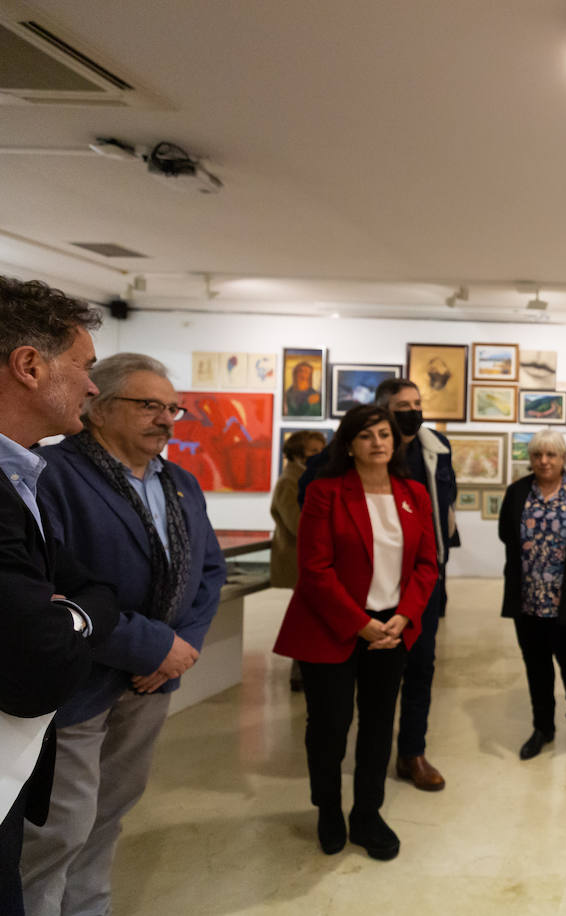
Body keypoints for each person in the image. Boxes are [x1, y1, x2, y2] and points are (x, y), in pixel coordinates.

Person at [21, 354, 227, 916]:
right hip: (80, 682)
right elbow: (54, 588)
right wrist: (155, 646)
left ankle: (90, 908)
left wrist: (182, 646)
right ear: (100, 407)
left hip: (151, 685)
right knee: (59, 828)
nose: (165, 419)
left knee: (111, 812)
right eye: (149, 405)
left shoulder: (180, 481)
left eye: (172, 408)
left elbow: (209, 571)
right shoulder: (54, 475)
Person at [0, 276, 120, 915]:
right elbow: (37, 666)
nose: (93, 386)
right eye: (85, 367)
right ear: (28, 365)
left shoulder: (20, 472)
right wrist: (72, 616)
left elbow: (92, 585)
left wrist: (66, 613)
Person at [273, 405, 437, 860]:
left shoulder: (414, 494)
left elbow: (426, 565)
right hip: (334, 626)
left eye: (385, 434)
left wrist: (404, 616)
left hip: (392, 627)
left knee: (378, 724)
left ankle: (367, 813)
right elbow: (315, 569)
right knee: (330, 725)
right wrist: (360, 624)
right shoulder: (326, 493)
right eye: (366, 436)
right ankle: (328, 808)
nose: (378, 442)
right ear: (348, 445)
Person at [299, 377, 459, 791]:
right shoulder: (344, 455)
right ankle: (341, 775)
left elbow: (446, 506)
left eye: (417, 402)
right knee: (345, 691)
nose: (413, 410)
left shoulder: (435, 447)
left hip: (422, 578)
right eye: (402, 404)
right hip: (358, 584)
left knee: (421, 665)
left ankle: (412, 752)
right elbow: (311, 494)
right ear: (383, 408)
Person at [498, 429, 566, 760]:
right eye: (537, 455)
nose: (544, 461)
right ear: (530, 459)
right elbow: (507, 533)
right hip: (528, 600)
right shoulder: (517, 492)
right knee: (536, 667)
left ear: (563, 459)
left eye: (551, 455)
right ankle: (542, 727)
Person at [271, 430, 327, 692]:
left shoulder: (307, 477)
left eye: (321, 449)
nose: (320, 455)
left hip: (310, 560)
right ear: (297, 453)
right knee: (306, 618)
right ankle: (300, 672)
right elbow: (298, 523)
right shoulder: (289, 482)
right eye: (313, 451)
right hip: (298, 560)